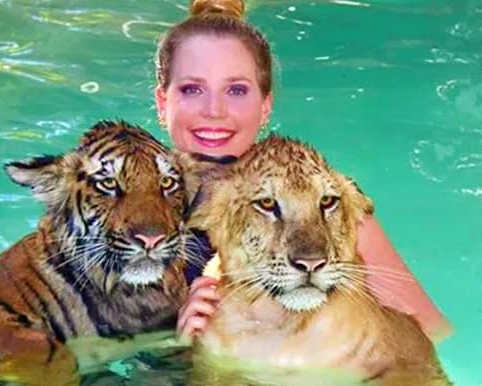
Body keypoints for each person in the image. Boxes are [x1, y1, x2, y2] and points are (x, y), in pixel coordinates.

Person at [153, 0, 452, 342]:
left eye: (236, 90)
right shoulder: (112, 210)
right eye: (192, 89)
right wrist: (174, 344)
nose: (214, 111)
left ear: (265, 106)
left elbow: (429, 338)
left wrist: (330, 325)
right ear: (163, 103)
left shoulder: (328, 202)